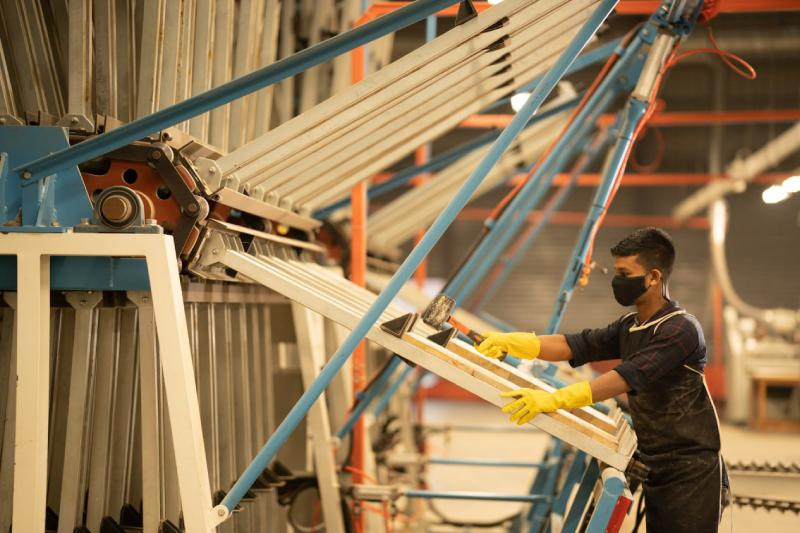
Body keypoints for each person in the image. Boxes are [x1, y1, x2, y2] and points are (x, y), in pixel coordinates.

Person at [476, 227, 725, 533]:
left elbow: (627, 376)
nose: (617, 281)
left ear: (653, 277)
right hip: (656, 464)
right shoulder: (630, 325)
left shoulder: (680, 329)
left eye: (625, 273)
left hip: (690, 472)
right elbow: (575, 345)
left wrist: (556, 400)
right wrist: (515, 343)